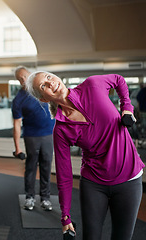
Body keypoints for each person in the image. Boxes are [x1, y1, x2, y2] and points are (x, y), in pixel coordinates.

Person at [26, 71, 145, 240]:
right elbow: (64, 175)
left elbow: (119, 80)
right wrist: (65, 215)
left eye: (48, 77)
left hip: (129, 178)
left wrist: (127, 108)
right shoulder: (61, 130)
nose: (50, 83)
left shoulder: (92, 85)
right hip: (94, 184)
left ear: (57, 77)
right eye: (43, 86)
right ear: (44, 99)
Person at [11, 66, 55, 211]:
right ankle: (29, 197)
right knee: (31, 167)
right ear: (18, 81)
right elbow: (17, 124)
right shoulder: (19, 99)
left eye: (25, 76)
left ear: (30, 74)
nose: (24, 80)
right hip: (31, 136)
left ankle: (45, 198)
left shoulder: (43, 88)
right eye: (20, 79)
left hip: (49, 134)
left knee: (46, 166)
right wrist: (17, 147)